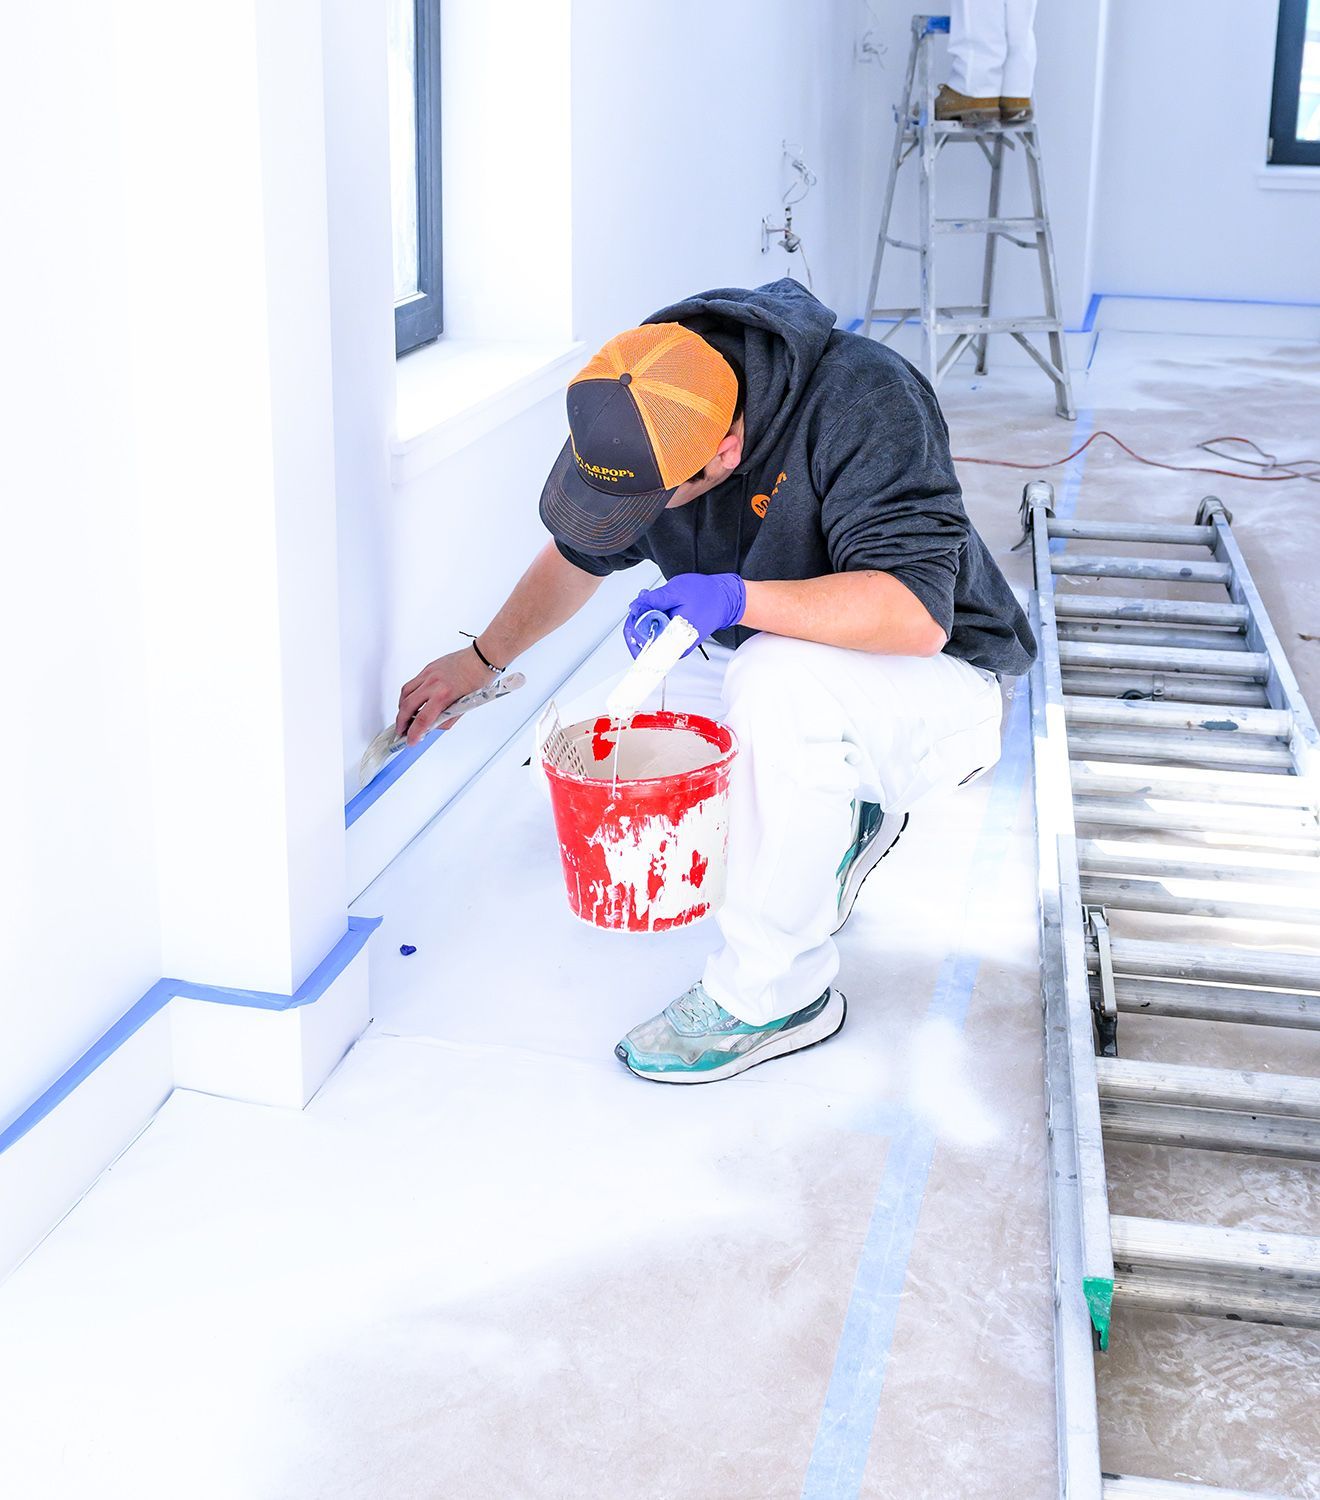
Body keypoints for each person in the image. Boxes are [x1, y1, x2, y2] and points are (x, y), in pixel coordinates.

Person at [395, 279, 1035, 1085]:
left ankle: (777, 994)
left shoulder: (866, 400)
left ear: (727, 451)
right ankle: (840, 818)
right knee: (601, 734)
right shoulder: (647, 398)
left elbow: (915, 615)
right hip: (786, 660)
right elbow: (575, 554)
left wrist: (734, 598)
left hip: (938, 684)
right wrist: (481, 661)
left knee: (777, 682)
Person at [936, 0, 1038, 125]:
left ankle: (973, 91)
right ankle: (1014, 95)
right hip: (1021, 89)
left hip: (974, 90)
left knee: (980, 6)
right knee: (1018, 11)